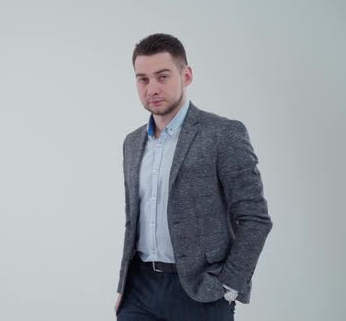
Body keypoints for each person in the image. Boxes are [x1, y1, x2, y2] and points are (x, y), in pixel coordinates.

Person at [115, 33, 273, 320]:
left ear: (186, 75)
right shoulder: (132, 142)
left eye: (162, 76)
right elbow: (134, 222)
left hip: (201, 293)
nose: (152, 88)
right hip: (139, 290)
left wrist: (228, 287)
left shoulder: (223, 134)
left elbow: (255, 218)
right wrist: (123, 288)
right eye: (143, 79)